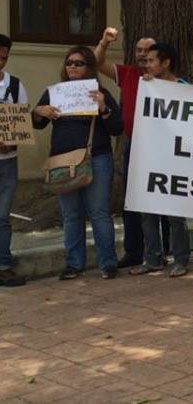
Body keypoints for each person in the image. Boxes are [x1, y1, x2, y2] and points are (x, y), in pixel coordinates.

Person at [32, 46, 122, 280]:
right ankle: (74, 264)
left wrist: (103, 107)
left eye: (78, 63)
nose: (71, 66)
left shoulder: (100, 92)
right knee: (71, 215)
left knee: (99, 212)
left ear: (90, 67)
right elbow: (37, 123)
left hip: (96, 158)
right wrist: (39, 111)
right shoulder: (54, 92)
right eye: (69, 62)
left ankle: (108, 263)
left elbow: (117, 128)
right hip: (62, 161)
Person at [95, 29, 171, 267]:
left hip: (161, 147)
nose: (142, 54)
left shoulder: (168, 81)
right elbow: (97, 63)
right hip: (134, 144)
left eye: (147, 50)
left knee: (164, 199)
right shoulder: (128, 74)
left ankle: (165, 250)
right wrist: (105, 43)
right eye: (138, 50)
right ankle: (134, 252)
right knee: (133, 199)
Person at [128, 43, 192, 278]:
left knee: (175, 213)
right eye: (145, 61)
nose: (147, 64)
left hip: (175, 158)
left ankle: (181, 258)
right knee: (148, 210)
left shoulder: (183, 88)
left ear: (166, 63)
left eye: (152, 60)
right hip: (149, 154)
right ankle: (153, 258)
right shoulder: (146, 86)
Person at [0, 34, 29, 287]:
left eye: (4, 58)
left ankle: (3, 264)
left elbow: (22, 125)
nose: (0, 62)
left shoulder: (15, 86)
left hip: (7, 160)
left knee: (2, 215)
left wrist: (11, 141)